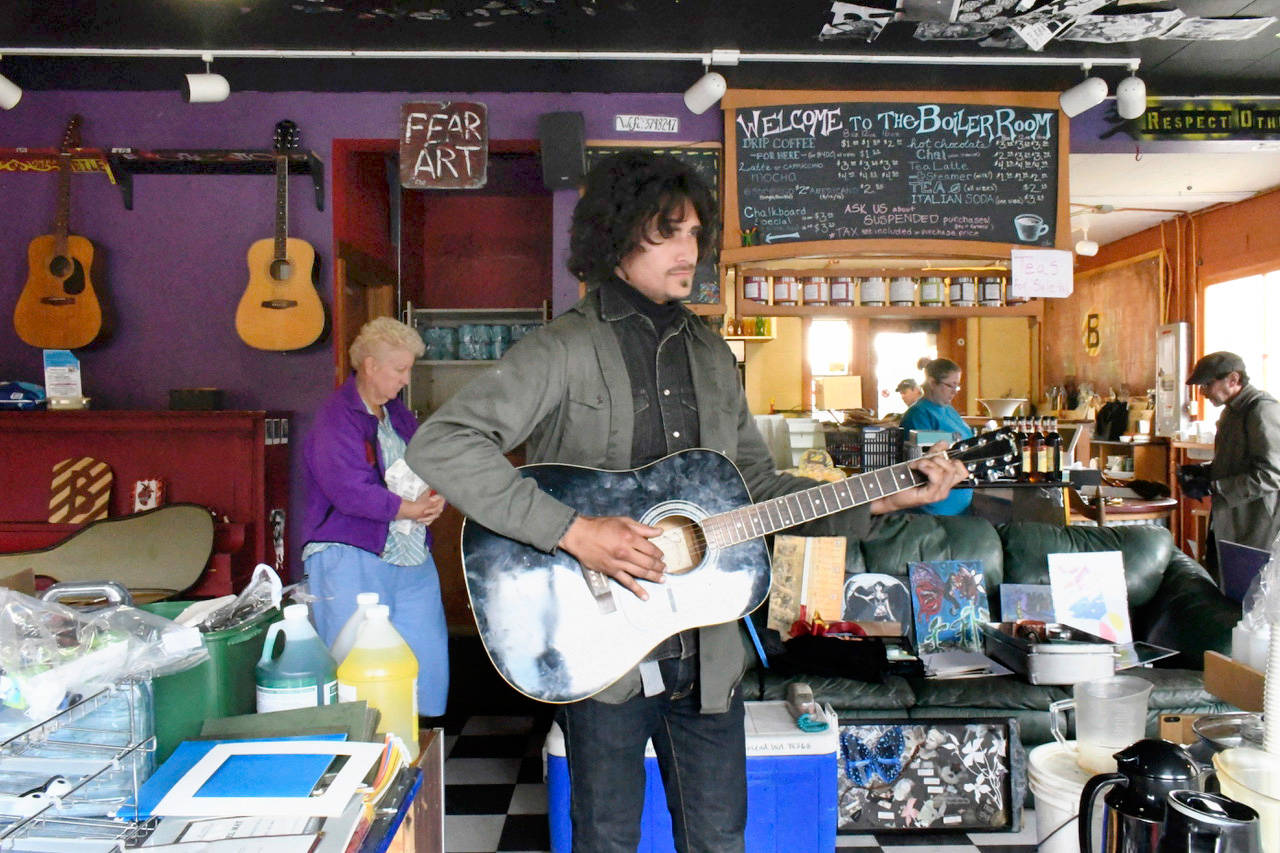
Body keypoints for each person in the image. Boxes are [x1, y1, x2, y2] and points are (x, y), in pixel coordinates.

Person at [405, 151, 967, 853]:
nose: (689, 250)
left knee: (719, 839)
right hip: (598, 649)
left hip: (706, 652)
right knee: (606, 839)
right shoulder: (560, 349)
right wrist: (573, 530)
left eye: (696, 233)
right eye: (668, 231)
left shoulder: (712, 355)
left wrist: (881, 498)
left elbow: (756, 491)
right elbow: (442, 443)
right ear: (616, 233)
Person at [300, 316, 450, 716]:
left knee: (425, 657)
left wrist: (434, 499)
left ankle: (417, 754)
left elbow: (427, 465)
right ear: (369, 366)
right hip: (351, 552)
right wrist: (407, 508)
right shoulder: (336, 418)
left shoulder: (398, 415)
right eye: (400, 370)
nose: (405, 379)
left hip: (410, 553)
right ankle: (361, 762)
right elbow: (348, 490)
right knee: (355, 665)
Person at [1180, 351, 1280, 563]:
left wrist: (1216, 487)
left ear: (1234, 379)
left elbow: (1272, 475)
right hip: (1229, 519)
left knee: (1247, 592)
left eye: (1207, 384)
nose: (1203, 392)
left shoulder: (1261, 410)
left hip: (1255, 526)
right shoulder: (1231, 412)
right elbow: (1237, 462)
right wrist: (1205, 472)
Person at [899, 358, 974, 516]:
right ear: (932, 382)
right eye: (950, 385)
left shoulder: (949, 410)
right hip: (934, 510)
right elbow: (924, 463)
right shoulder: (918, 414)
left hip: (961, 504)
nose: (954, 391)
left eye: (957, 386)